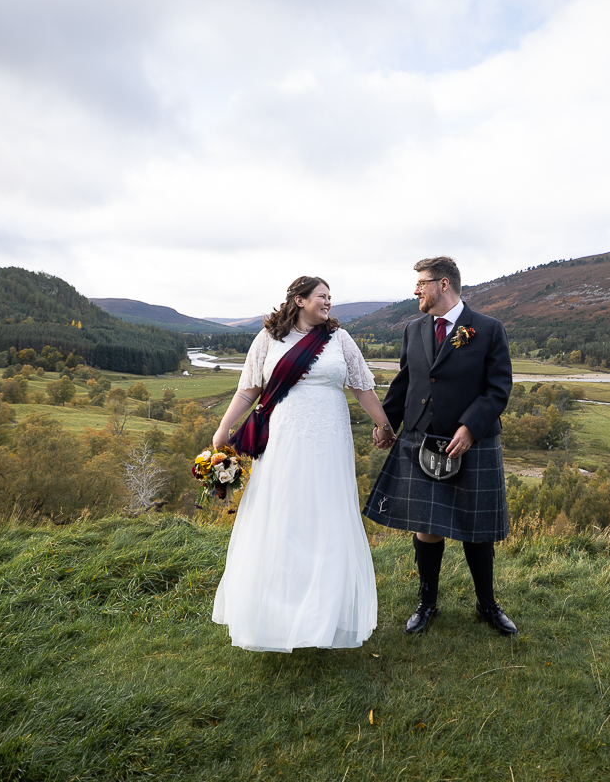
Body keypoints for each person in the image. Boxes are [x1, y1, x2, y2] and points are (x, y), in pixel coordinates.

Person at [210, 276, 393, 652]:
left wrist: (384, 425)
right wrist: (223, 428)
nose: (328, 302)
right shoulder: (268, 339)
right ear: (299, 300)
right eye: (322, 296)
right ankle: (277, 615)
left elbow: (362, 387)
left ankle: (324, 615)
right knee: (284, 515)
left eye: (330, 297)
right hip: (285, 438)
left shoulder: (340, 339)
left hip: (330, 441)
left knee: (327, 516)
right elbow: (249, 389)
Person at [362, 256, 517, 635]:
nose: (416, 290)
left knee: (476, 527)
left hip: (471, 443)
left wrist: (470, 428)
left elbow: (498, 388)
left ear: (443, 284)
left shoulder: (488, 329)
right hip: (420, 438)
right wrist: (386, 424)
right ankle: (427, 602)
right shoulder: (414, 328)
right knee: (426, 525)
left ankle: (487, 605)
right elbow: (405, 382)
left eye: (422, 283)